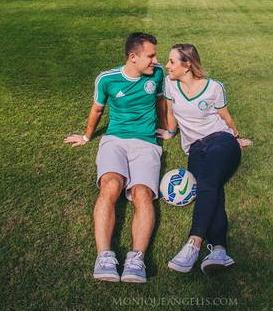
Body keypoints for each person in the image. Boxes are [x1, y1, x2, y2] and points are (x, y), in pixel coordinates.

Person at [65, 32, 166, 283]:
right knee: (111, 185)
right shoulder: (107, 79)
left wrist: (168, 128)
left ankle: (136, 259)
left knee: (142, 193)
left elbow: (162, 102)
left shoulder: (158, 73)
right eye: (150, 55)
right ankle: (104, 257)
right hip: (115, 141)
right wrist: (87, 136)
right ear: (133, 57)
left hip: (146, 143)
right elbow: (97, 109)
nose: (155, 60)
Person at [157, 44, 251, 274]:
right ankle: (219, 250)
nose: (167, 65)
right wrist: (170, 132)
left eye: (171, 61)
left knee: (208, 181)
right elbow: (171, 112)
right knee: (211, 187)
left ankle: (194, 243)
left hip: (220, 140)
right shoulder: (170, 83)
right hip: (195, 148)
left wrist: (236, 137)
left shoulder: (213, 87)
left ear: (187, 64)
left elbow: (225, 116)